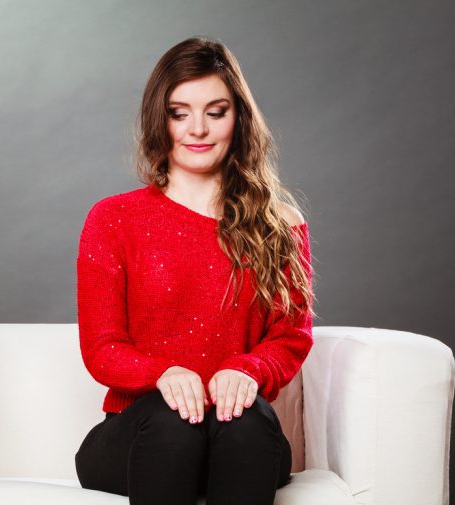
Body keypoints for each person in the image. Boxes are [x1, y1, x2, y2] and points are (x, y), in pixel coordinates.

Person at [74, 37, 313, 505]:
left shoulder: (279, 223)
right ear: (158, 120)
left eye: (216, 111)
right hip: (140, 434)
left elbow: (290, 336)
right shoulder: (112, 219)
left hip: (237, 433)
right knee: (172, 421)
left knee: (244, 422)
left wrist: (247, 369)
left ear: (238, 118)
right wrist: (163, 374)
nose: (198, 129)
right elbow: (102, 349)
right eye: (179, 113)